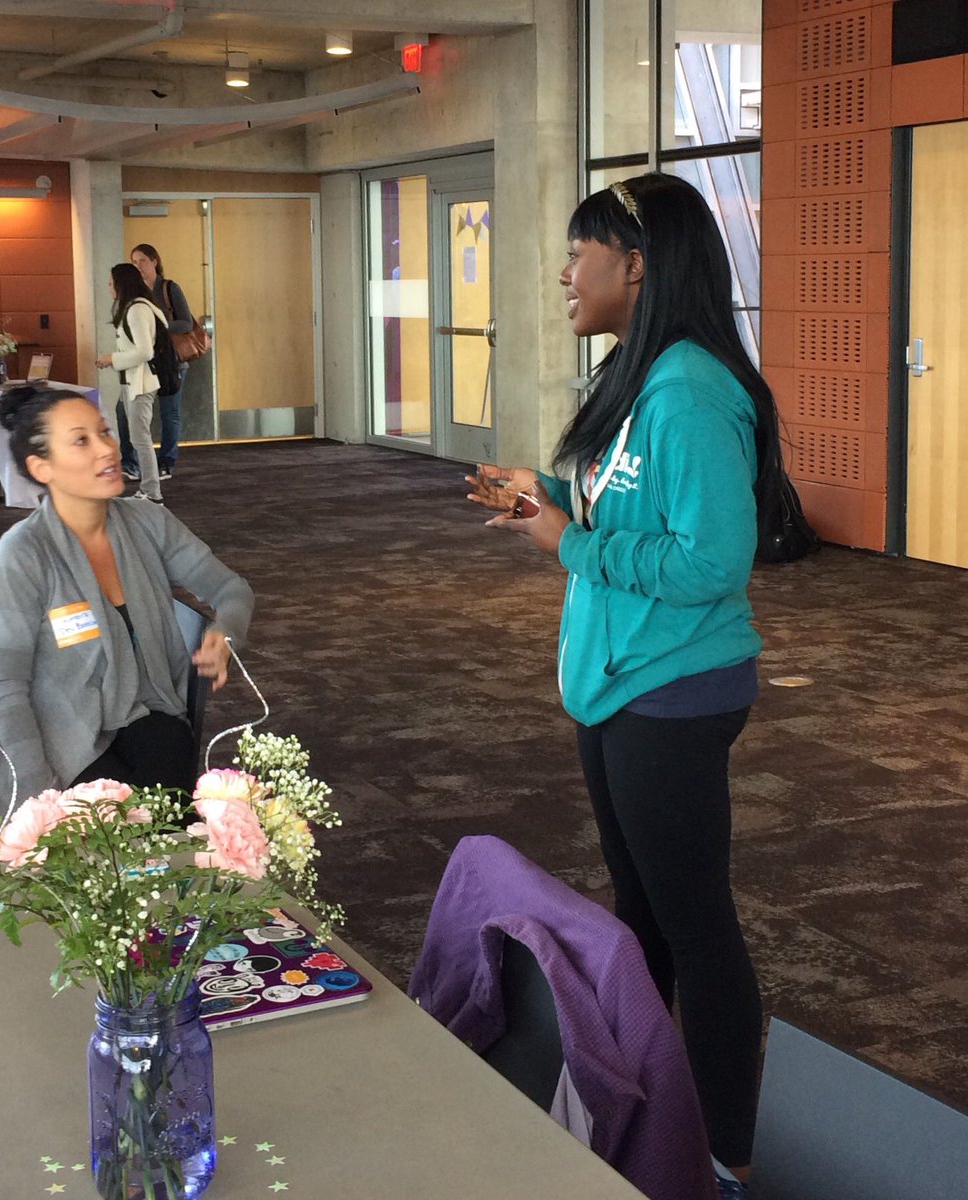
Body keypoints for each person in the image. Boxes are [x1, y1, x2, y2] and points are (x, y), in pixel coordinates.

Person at [465, 173, 782, 1197]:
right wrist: (547, 494)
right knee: (637, 911)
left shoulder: (688, 389)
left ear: (636, 265)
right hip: (616, 684)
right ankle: (636, 1118)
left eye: (580, 251)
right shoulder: (637, 375)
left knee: (695, 925)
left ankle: (726, 1154)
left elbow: (711, 562)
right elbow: (624, 504)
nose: (565, 271)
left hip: (673, 688)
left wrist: (570, 542)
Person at [0, 387, 253, 836]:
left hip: (139, 710)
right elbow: (6, 690)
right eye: (81, 440)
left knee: (168, 760)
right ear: (42, 468)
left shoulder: (147, 522)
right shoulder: (20, 556)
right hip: (50, 729)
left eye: (105, 432)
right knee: (110, 828)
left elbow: (232, 589)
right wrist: (40, 799)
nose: (107, 448)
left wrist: (224, 634)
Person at [125, 242, 195, 484]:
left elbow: (186, 322)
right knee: (131, 412)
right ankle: (132, 463)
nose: (138, 266)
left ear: (154, 261)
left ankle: (166, 462)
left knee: (169, 412)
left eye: (142, 260)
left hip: (171, 362)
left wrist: (158, 327)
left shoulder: (168, 288)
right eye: (134, 262)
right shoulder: (134, 293)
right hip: (143, 362)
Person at [96, 262, 165, 504]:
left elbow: (145, 352)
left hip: (141, 383)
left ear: (121, 284)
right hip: (134, 382)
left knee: (140, 439)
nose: (109, 288)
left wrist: (112, 359)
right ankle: (149, 489)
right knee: (138, 438)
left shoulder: (137, 310)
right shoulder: (137, 307)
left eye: (111, 283)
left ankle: (152, 491)